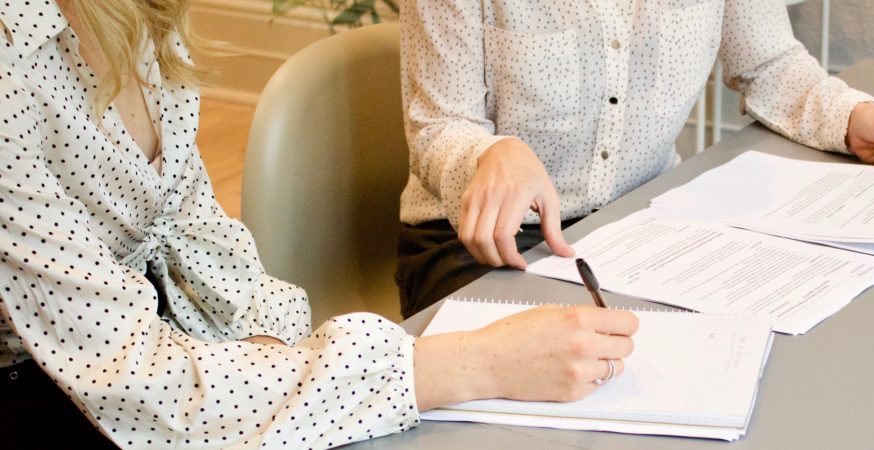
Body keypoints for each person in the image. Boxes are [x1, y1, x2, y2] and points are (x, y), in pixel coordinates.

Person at [0, 1, 638, 448]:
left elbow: (194, 232)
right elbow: (137, 380)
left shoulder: (142, 20)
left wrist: (272, 349)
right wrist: (476, 364)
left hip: (154, 351)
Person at [395, 0, 874, 317]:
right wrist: (490, 154)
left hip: (641, 226)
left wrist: (855, 118)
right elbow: (438, 126)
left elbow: (770, 64)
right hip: (480, 242)